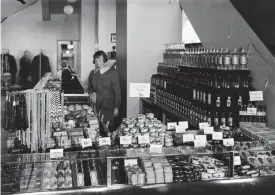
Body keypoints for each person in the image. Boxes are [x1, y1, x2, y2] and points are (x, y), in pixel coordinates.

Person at [88, 51, 121, 135]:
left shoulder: (112, 73)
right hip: (95, 106)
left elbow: (117, 91)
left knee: (107, 129)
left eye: (100, 60)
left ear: (104, 60)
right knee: (95, 129)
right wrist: (91, 94)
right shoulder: (92, 73)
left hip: (108, 107)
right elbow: (90, 87)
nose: (97, 62)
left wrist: (116, 107)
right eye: (96, 59)